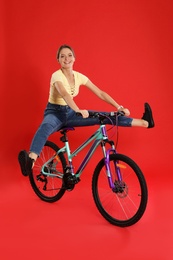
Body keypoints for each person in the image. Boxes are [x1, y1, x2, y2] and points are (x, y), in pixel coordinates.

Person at [18, 44, 155, 176]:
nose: (67, 59)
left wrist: (119, 107)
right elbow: (65, 94)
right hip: (55, 113)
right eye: (62, 56)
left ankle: (144, 122)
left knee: (106, 116)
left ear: (74, 58)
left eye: (70, 55)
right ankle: (29, 162)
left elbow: (100, 93)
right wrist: (78, 109)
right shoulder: (57, 76)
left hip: (71, 113)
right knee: (45, 128)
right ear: (58, 60)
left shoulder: (79, 77)